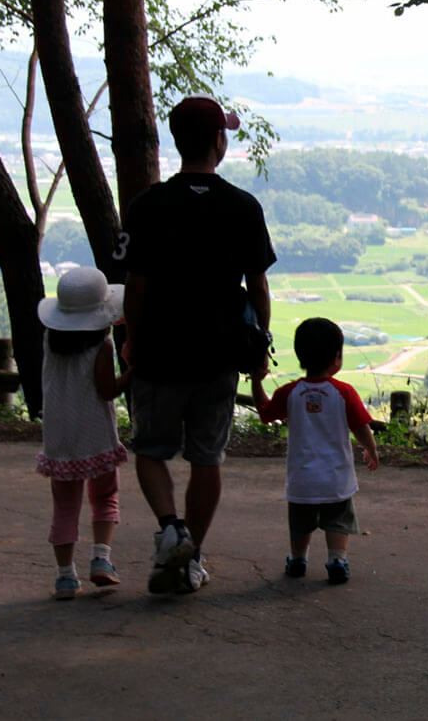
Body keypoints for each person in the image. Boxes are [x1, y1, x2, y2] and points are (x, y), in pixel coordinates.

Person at [120, 93, 276, 595]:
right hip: (219, 352)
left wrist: (131, 340)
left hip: (159, 350)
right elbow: (258, 284)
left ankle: (171, 530)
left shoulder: (146, 206)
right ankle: (192, 559)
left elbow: (136, 285)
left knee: (151, 449)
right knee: (207, 457)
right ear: (217, 141)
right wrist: (260, 346)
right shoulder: (242, 207)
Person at [250, 318, 379, 584]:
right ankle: (337, 560)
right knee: (338, 521)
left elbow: (265, 413)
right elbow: (362, 427)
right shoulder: (344, 392)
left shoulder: (290, 392)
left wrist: (256, 382)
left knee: (300, 523)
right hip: (335, 477)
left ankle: (298, 559)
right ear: (336, 359)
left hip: (302, 479)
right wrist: (371, 449)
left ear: (300, 356)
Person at [36, 267, 131, 600]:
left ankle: (65, 577)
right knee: (104, 496)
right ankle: (101, 560)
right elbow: (107, 390)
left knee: (64, 506)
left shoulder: (50, 340)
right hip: (94, 434)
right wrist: (131, 373)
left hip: (59, 434)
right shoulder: (101, 346)